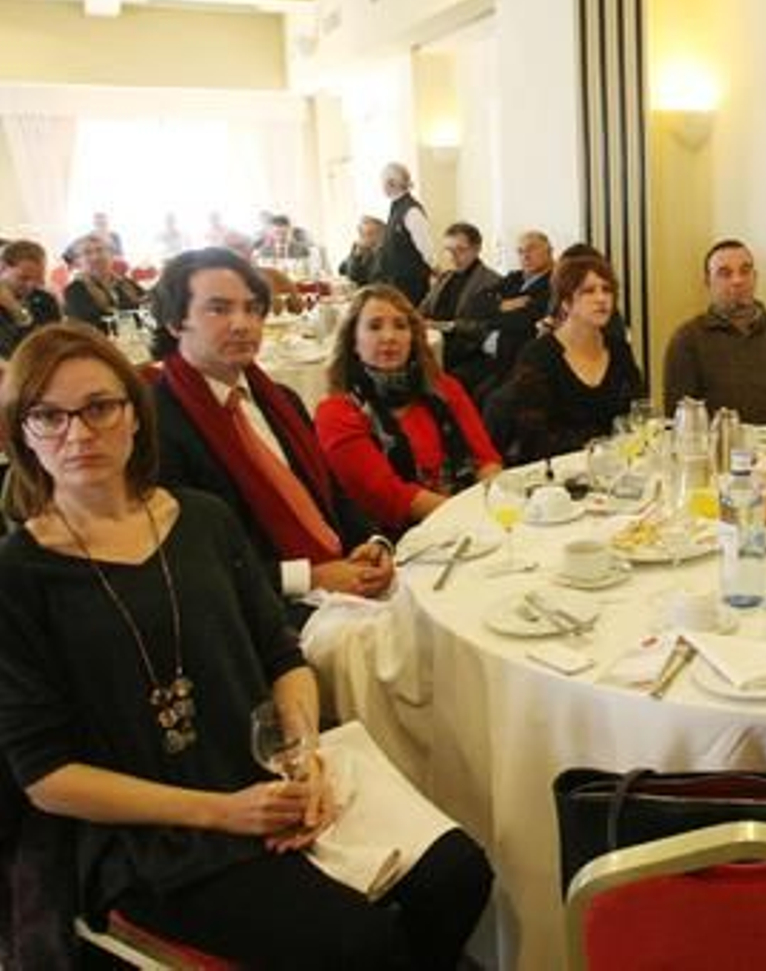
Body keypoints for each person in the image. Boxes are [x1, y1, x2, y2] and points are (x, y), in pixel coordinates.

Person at [0, 323, 492, 968]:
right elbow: (46, 778)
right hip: (153, 832)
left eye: (99, 407)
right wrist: (226, 812)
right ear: (22, 433)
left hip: (265, 771)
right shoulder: (19, 575)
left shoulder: (203, 518)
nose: (79, 434)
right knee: (360, 944)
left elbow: (282, 658)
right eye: (49, 416)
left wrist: (304, 759)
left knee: (460, 875)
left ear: (134, 414)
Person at [149, 249, 395, 618]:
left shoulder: (281, 399)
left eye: (251, 308)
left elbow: (330, 491)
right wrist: (307, 577)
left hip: (341, 573)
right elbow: (192, 561)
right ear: (174, 322)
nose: (242, 324)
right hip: (258, 609)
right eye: (219, 309)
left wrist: (373, 543)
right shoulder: (157, 424)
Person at [315, 285, 502, 536]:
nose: (389, 336)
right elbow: (390, 497)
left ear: (413, 338)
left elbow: (486, 460)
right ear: (353, 343)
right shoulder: (337, 412)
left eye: (400, 326)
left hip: (473, 521)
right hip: (397, 543)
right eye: (374, 326)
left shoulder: (443, 388)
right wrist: (470, 519)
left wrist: (499, 508)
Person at [486, 251, 642, 466]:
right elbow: (533, 438)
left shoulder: (619, 349)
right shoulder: (539, 355)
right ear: (566, 303)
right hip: (555, 476)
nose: (601, 298)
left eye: (607, 290)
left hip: (614, 470)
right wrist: (597, 450)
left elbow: (638, 413)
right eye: (588, 291)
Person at [662, 239, 766, 425]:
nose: (738, 280)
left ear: (755, 277)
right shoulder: (687, 339)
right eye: (725, 274)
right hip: (721, 449)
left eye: (745, 271)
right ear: (708, 283)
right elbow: (678, 414)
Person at [418, 221, 499, 386]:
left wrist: (437, 325)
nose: (452, 256)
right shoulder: (445, 277)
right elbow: (423, 308)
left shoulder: (492, 282)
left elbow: (480, 327)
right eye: (448, 250)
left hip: (465, 349)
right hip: (432, 342)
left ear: (476, 249)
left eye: (461, 250)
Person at [477, 229, 555, 392]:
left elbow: (521, 322)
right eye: (520, 251)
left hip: (516, 362)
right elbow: (476, 303)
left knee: (484, 397)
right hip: (489, 353)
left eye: (531, 249)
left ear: (549, 251)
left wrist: (487, 318)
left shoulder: (554, 283)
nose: (525, 256)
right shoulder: (515, 277)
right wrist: (501, 306)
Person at [375, 162, 433, 305]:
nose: (381, 187)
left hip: (411, 285)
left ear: (391, 183)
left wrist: (435, 271)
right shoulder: (396, 207)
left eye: (382, 182)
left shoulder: (411, 211)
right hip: (397, 283)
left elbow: (426, 249)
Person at [61, 234, 145, 332]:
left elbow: (148, 308)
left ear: (111, 255)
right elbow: (96, 324)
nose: (96, 257)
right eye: (87, 253)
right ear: (77, 262)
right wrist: (132, 311)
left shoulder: (127, 283)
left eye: (100, 250)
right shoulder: (74, 290)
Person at [0, 239, 63, 360]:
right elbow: (9, 352)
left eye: (38, 279)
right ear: (2, 268)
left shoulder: (46, 299)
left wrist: (16, 311)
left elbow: (54, 344)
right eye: (23, 278)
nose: (31, 285)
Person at [339, 216, 386, 287]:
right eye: (362, 234)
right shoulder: (362, 249)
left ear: (381, 235)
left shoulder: (383, 254)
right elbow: (341, 268)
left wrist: (357, 258)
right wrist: (356, 256)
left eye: (369, 234)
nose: (363, 239)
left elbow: (357, 278)